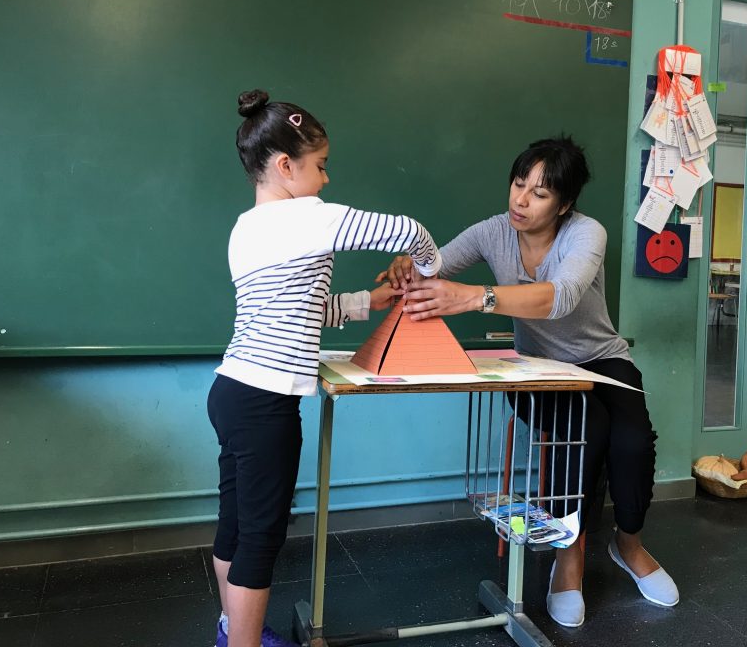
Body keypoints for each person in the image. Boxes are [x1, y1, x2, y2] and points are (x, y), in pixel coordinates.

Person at [379, 136, 677, 628]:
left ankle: (629, 544)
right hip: (536, 368)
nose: (521, 200)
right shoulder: (492, 231)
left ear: (564, 204)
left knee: (633, 440)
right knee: (586, 429)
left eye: (539, 193)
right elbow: (433, 266)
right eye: (519, 184)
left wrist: (474, 297)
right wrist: (407, 268)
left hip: (602, 360)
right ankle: (568, 554)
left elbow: (559, 297)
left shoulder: (587, 233)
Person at [208, 90, 443, 647]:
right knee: (260, 539)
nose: (326, 178)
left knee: (235, 526)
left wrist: (368, 301)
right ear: (285, 166)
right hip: (266, 404)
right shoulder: (310, 216)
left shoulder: (245, 228)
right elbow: (411, 232)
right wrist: (430, 270)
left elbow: (302, 308)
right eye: (320, 165)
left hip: (232, 391)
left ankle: (231, 628)